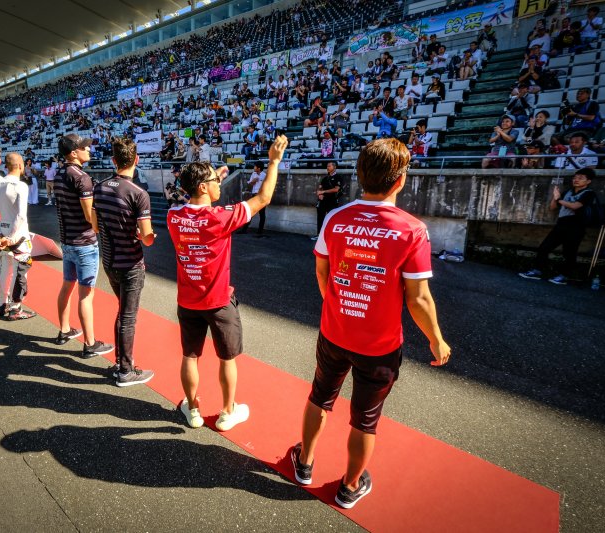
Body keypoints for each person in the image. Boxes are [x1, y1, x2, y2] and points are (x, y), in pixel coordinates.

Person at [290, 137, 450, 509]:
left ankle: (305, 464)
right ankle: (349, 486)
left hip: (334, 332)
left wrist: (337, 306)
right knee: (365, 419)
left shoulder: (335, 217)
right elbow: (418, 299)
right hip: (379, 345)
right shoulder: (412, 229)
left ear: (360, 176)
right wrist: (437, 339)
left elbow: (322, 271)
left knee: (320, 396)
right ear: (400, 180)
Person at [167, 135, 289, 431]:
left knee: (190, 356)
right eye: (215, 181)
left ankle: (192, 410)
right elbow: (263, 198)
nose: (219, 184)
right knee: (227, 359)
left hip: (188, 301)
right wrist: (274, 162)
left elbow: (191, 203)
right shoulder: (221, 217)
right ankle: (226, 412)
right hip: (219, 302)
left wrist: (212, 179)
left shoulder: (173, 216)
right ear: (203, 187)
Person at [91, 137, 156, 386]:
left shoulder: (99, 187)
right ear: (136, 160)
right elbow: (147, 238)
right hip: (130, 263)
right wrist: (147, 236)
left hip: (109, 260)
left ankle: (120, 363)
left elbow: (95, 226)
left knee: (123, 313)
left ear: (113, 160)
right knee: (128, 317)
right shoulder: (139, 194)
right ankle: (125, 371)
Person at [55, 133, 115, 357]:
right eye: (84, 147)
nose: (89, 150)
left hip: (67, 241)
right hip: (84, 243)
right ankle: (90, 344)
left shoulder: (60, 173)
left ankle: (64, 330)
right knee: (86, 295)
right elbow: (90, 216)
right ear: (74, 153)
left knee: (67, 286)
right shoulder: (82, 177)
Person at [520, 169, 597, 285]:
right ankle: (537, 270)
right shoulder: (568, 192)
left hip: (576, 226)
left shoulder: (589, 193)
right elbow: (552, 207)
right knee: (544, 247)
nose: (576, 180)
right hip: (562, 223)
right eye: (575, 177)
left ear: (588, 181)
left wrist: (559, 199)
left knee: (569, 253)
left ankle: (564, 276)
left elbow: (575, 206)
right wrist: (555, 196)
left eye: (580, 178)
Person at [0, 153, 37, 319]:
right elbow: (21, 215)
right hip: (18, 235)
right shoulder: (21, 185)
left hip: (3, 231)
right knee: (19, 271)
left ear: (6, 166)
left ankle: (2, 303)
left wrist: (0, 234)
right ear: (21, 166)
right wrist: (11, 236)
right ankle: (16, 308)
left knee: (3, 269)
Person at [312, 161, 343, 240]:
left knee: (331, 219)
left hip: (332, 201)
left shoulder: (338, 177)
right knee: (320, 218)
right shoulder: (325, 178)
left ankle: (330, 237)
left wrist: (323, 192)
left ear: (334, 167)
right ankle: (319, 235)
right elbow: (320, 188)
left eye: (329, 166)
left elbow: (336, 189)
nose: (327, 167)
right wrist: (320, 194)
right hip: (323, 201)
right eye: (327, 166)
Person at [239, 162, 267, 236]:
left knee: (262, 214)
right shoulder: (253, 174)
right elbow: (250, 183)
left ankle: (260, 231)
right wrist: (253, 181)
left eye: (255, 166)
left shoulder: (264, 175)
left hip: (261, 196)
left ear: (259, 168)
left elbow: (266, 186)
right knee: (249, 212)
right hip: (254, 195)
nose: (254, 168)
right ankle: (244, 229)